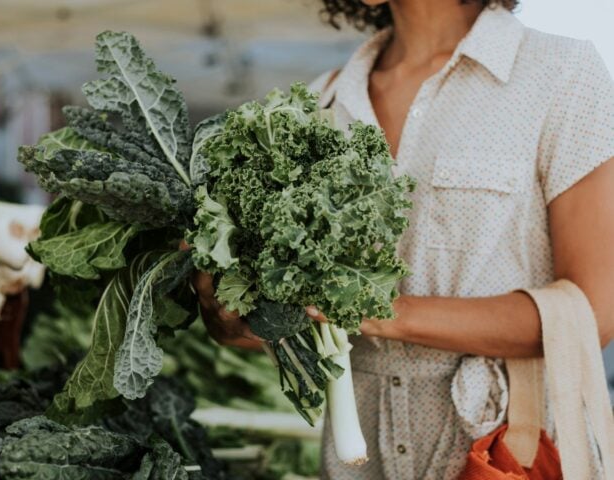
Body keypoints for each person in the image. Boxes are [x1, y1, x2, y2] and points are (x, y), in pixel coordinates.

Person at [194, 0, 614, 478]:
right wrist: (234, 320)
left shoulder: (561, 75)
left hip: (509, 455)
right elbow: (295, 325)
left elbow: (591, 312)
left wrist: (381, 312)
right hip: (357, 464)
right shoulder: (319, 103)